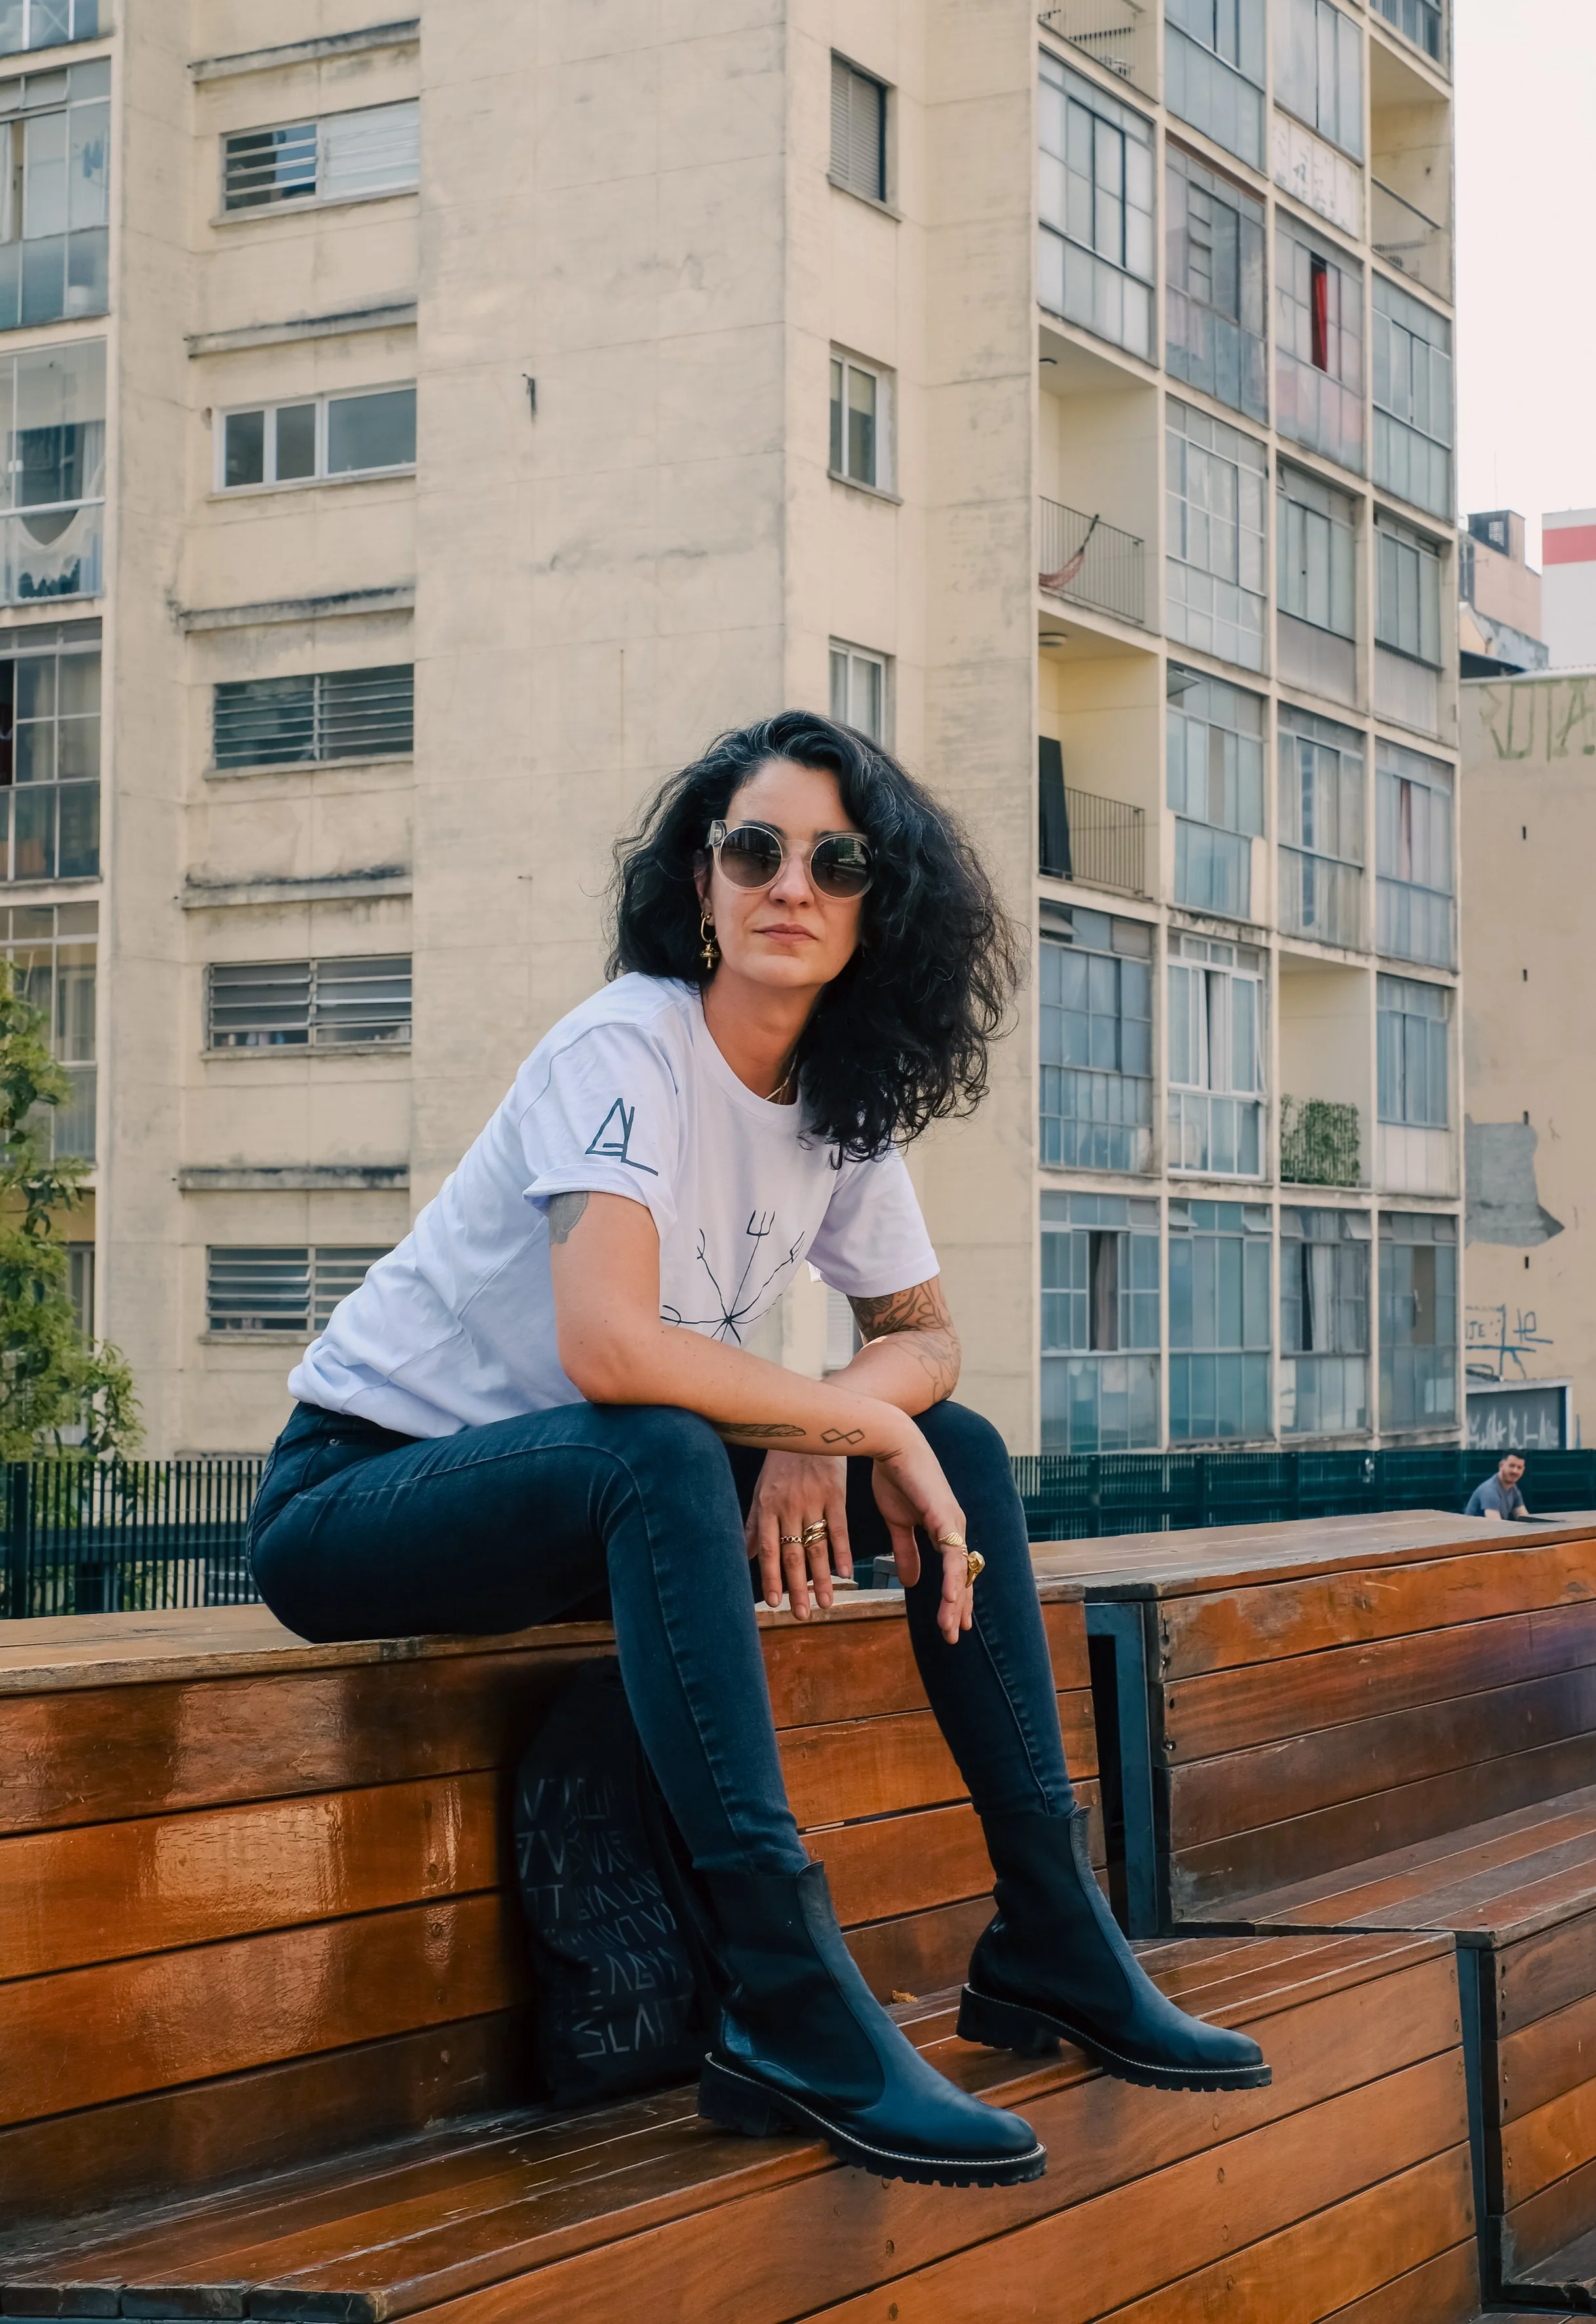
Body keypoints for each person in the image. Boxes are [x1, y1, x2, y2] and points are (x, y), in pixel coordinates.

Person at [248, 710, 1267, 2190]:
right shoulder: (630, 1046)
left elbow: (925, 1336)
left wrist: (836, 1415)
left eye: (838, 860)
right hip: (357, 1495)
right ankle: (787, 1998)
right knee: (657, 1445)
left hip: (587, 1491)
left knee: (958, 1445)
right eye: (756, 847)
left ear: (880, 902)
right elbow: (608, 1349)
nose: (795, 882)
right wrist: (831, 1414)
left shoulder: (838, 1092)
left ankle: (1052, 1929)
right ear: (701, 881)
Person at [1465, 1451, 1530, 1520]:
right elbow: (1496, 1526)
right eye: (1512, 1466)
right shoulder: (1490, 1490)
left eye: (1519, 1468)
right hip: (1478, 1530)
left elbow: (1525, 1519)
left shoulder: (1514, 1489)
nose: (1515, 1471)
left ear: (1523, 1470)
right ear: (1501, 1465)